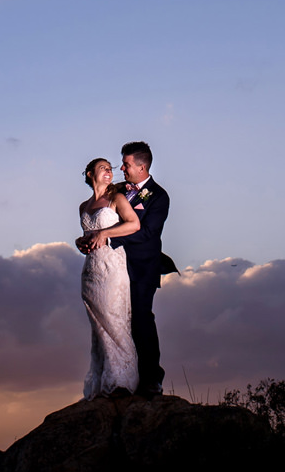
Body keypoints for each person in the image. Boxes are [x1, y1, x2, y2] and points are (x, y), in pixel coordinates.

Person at [82, 141, 175, 397]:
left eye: (127, 164)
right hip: (113, 270)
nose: (121, 168)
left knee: (141, 320)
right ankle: (122, 377)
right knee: (116, 321)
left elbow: (146, 232)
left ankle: (151, 379)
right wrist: (91, 240)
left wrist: (108, 236)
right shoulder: (118, 190)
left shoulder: (159, 196)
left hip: (142, 267)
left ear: (142, 166)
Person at [78, 157, 140, 398]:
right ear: (90, 173)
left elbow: (133, 225)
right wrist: (81, 241)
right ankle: (103, 381)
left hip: (113, 267)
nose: (109, 172)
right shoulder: (83, 206)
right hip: (91, 271)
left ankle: (122, 382)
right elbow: (89, 235)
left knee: (115, 320)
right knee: (99, 329)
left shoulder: (117, 198)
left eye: (110, 169)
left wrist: (105, 232)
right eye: (103, 168)